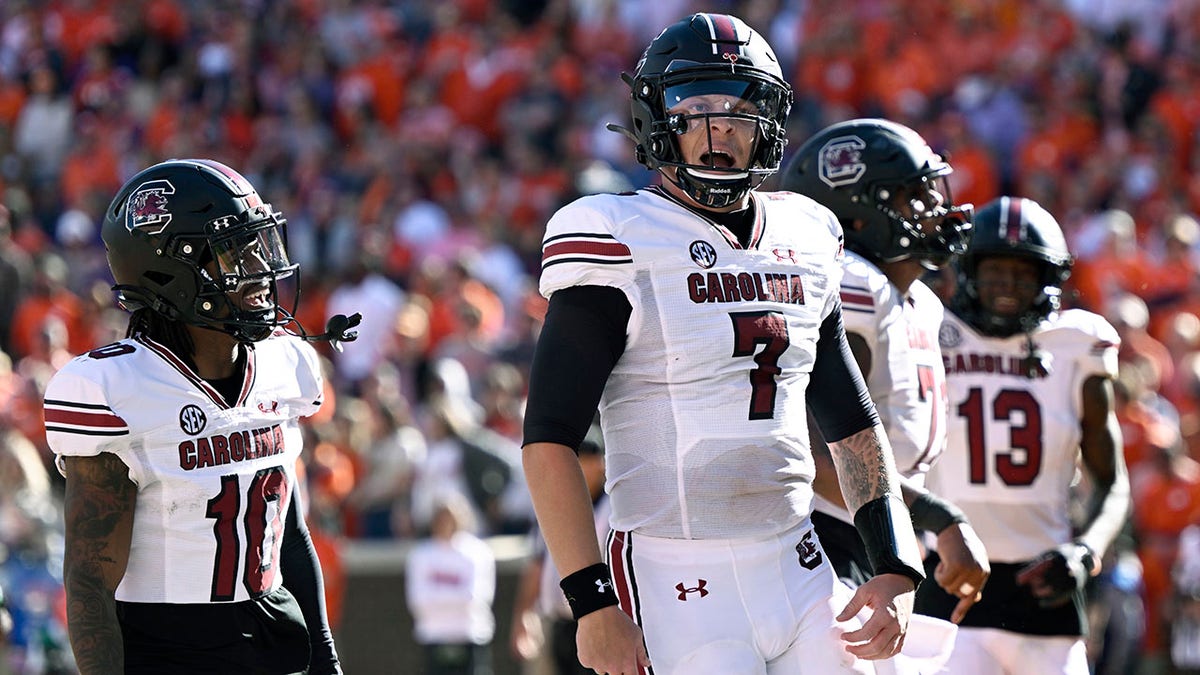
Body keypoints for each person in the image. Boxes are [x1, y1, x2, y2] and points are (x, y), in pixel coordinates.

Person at [522, 13, 926, 675]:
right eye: (696, 110)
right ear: (657, 122)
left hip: (798, 562)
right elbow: (549, 435)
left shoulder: (807, 233)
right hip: (672, 573)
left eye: (739, 112)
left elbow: (852, 423)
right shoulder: (616, 235)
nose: (719, 133)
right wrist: (591, 601)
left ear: (769, 123)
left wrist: (894, 561)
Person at [47, 159, 356, 674]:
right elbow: (89, 580)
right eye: (235, 251)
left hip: (276, 634)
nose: (259, 269)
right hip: (169, 647)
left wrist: (326, 659)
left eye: (259, 246)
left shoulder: (285, 363)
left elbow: (289, 535)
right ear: (171, 270)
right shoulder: (116, 389)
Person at [781, 119, 990, 627]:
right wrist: (942, 520)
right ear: (856, 217)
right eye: (913, 198)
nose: (936, 211)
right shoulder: (851, 285)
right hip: (820, 535)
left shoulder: (920, 303)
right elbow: (817, 454)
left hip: (874, 531)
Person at [918, 196, 1131, 673]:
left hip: (1043, 586)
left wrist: (1086, 551)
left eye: (1024, 272)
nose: (1008, 286)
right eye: (995, 271)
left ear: (1048, 280)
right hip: (950, 574)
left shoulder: (1077, 344)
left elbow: (1112, 481)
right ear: (969, 271)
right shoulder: (930, 329)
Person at [510, 422, 610, 675]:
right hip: (558, 622)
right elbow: (537, 564)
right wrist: (523, 615)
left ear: (601, 463)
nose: (579, 467)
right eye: (575, 459)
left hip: (602, 619)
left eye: (586, 459)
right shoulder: (551, 505)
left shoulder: (615, 509)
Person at [405, 493, 497, 675]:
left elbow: (475, 598)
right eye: (441, 517)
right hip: (433, 637)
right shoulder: (420, 555)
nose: (446, 522)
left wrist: (437, 597)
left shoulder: (478, 552)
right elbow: (418, 601)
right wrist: (455, 596)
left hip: (471, 636)